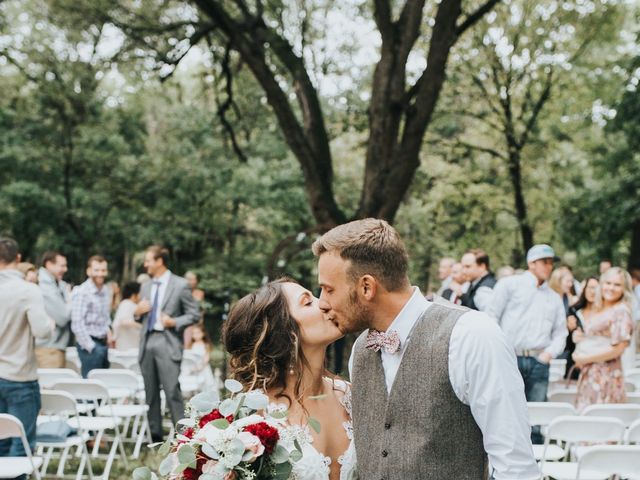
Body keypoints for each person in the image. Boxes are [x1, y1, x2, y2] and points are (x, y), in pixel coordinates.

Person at [313, 219, 538, 479]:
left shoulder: (472, 335)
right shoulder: (361, 351)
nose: (322, 303)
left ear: (366, 287)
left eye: (328, 290)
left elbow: (516, 467)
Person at [223, 279, 355, 480]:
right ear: (284, 332)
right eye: (308, 302)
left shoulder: (353, 397)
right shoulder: (255, 417)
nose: (324, 303)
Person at [488, 243, 567, 444]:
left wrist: (548, 354)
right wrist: (500, 351)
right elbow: (491, 317)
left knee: (535, 418)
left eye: (551, 263)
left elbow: (560, 332)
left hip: (539, 360)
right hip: (510, 357)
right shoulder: (510, 285)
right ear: (531, 263)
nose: (549, 266)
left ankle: (534, 467)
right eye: (545, 262)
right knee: (505, 413)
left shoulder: (554, 298)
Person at [137, 245, 200, 443]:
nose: (145, 264)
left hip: (168, 341)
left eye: (148, 260)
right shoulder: (145, 286)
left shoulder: (180, 284)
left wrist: (174, 322)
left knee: (172, 390)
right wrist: (137, 311)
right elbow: (139, 317)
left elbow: (194, 314)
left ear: (159, 261)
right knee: (150, 392)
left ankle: (183, 437)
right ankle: (155, 437)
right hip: (147, 341)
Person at [0, 237, 53, 460]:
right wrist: (50, 325)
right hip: (19, 376)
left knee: (1, 443)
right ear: (18, 258)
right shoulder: (27, 290)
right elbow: (42, 332)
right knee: (21, 445)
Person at [573, 267, 634, 411]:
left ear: (624, 289)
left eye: (617, 285)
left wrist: (585, 359)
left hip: (606, 375)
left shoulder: (621, 311)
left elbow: (619, 348)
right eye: (608, 283)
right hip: (589, 373)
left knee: (599, 422)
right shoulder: (600, 308)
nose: (611, 288)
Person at [71, 255, 112, 378]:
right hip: (90, 346)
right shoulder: (82, 291)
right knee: (91, 390)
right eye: (97, 270)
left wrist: (108, 331)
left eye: (103, 270)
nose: (100, 273)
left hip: (103, 344)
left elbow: (105, 317)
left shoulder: (105, 290)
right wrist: (92, 348)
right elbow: (77, 323)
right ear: (88, 271)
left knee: (102, 387)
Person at [36, 251, 72, 368]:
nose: (65, 269)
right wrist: (71, 299)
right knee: (50, 385)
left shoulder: (56, 283)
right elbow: (63, 317)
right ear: (49, 264)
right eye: (61, 265)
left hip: (53, 347)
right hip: (49, 348)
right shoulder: (44, 285)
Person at [564, 277, 599, 379]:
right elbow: (566, 345)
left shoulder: (605, 314)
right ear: (584, 289)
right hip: (576, 364)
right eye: (590, 288)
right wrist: (569, 331)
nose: (593, 292)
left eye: (596, 288)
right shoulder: (574, 310)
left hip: (597, 363)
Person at [112, 282, 142, 350]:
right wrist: (142, 327)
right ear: (134, 295)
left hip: (130, 347)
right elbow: (124, 321)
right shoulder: (126, 304)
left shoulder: (129, 304)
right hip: (126, 348)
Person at [186, 323, 216, 389]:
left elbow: (206, 357)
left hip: (203, 368)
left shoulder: (205, 345)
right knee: (194, 386)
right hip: (194, 368)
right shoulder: (191, 345)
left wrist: (201, 366)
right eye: (194, 333)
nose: (196, 335)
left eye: (198, 333)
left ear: (203, 333)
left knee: (206, 385)